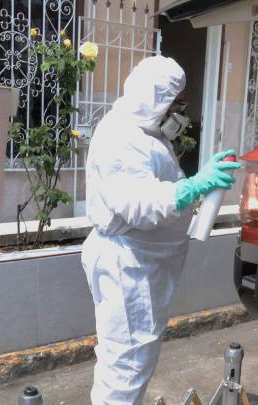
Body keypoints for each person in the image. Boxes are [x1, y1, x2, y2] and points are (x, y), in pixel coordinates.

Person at [81, 55, 241, 405]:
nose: (181, 110)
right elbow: (139, 204)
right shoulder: (122, 137)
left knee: (130, 362)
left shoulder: (145, 133)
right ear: (156, 99)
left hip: (141, 267)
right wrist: (195, 186)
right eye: (177, 102)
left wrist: (196, 181)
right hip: (129, 269)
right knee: (125, 369)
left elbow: (157, 184)